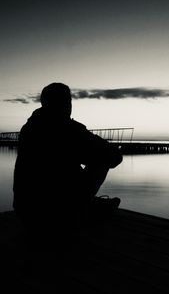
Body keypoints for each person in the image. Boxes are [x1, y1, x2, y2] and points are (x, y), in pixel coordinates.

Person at [13, 82, 123, 237]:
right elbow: (113, 158)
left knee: (66, 165)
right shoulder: (68, 129)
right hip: (59, 218)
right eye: (68, 102)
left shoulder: (29, 128)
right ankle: (83, 210)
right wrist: (109, 149)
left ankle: (88, 205)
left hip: (26, 215)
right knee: (101, 161)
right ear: (66, 104)